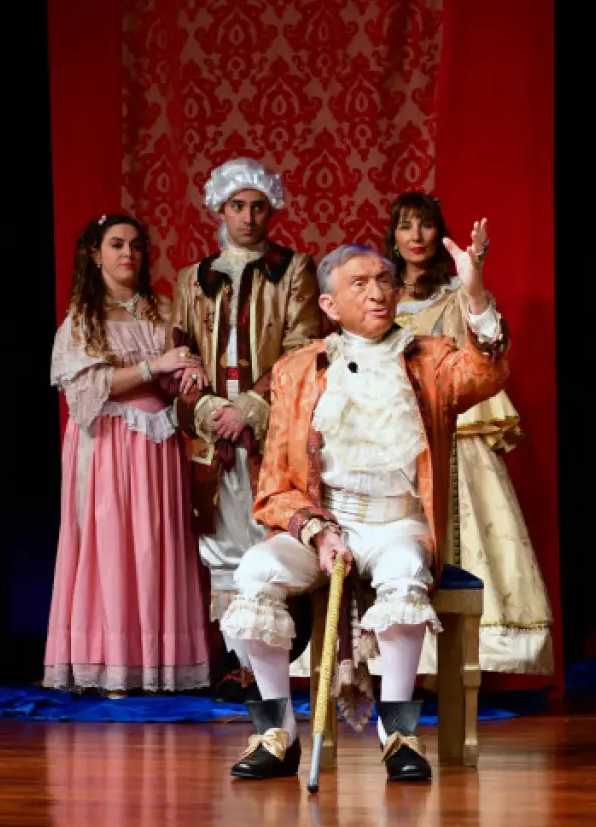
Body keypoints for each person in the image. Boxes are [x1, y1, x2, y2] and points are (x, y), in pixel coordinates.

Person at [219, 239, 509, 783]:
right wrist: (317, 532)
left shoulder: (431, 358)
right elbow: (274, 486)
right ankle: (277, 734)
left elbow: (486, 373)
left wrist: (475, 294)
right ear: (329, 305)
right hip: (323, 522)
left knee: (404, 572)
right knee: (254, 573)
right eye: (360, 283)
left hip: (398, 522)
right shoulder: (297, 370)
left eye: (384, 280)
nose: (377, 292)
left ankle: (398, 734)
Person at [166, 157, 325, 692]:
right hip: (213, 428)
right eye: (238, 206)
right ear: (221, 209)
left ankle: (277, 663)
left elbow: (304, 347)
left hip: (270, 428)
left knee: (271, 537)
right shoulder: (193, 278)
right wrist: (209, 409)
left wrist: (252, 407)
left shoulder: (294, 270)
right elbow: (180, 351)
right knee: (221, 542)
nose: (249, 217)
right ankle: (240, 662)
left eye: (259, 207)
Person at [385, 192, 553, 676]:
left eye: (425, 225)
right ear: (393, 238)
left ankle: (460, 661)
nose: (416, 236)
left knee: (468, 534)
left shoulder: (457, 291)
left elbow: (489, 340)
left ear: (439, 233)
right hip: (392, 437)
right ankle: (397, 661)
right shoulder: (381, 296)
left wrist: (474, 283)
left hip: (454, 432)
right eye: (405, 226)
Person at [46, 214, 211, 694]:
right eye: (117, 245)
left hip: (157, 444)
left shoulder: (162, 309)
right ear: (95, 254)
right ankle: (110, 663)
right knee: (112, 545)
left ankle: (161, 665)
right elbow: (87, 389)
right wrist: (154, 366)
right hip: (108, 443)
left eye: (136, 246)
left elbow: (176, 371)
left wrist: (187, 374)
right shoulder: (84, 318)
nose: (128, 254)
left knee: (157, 544)